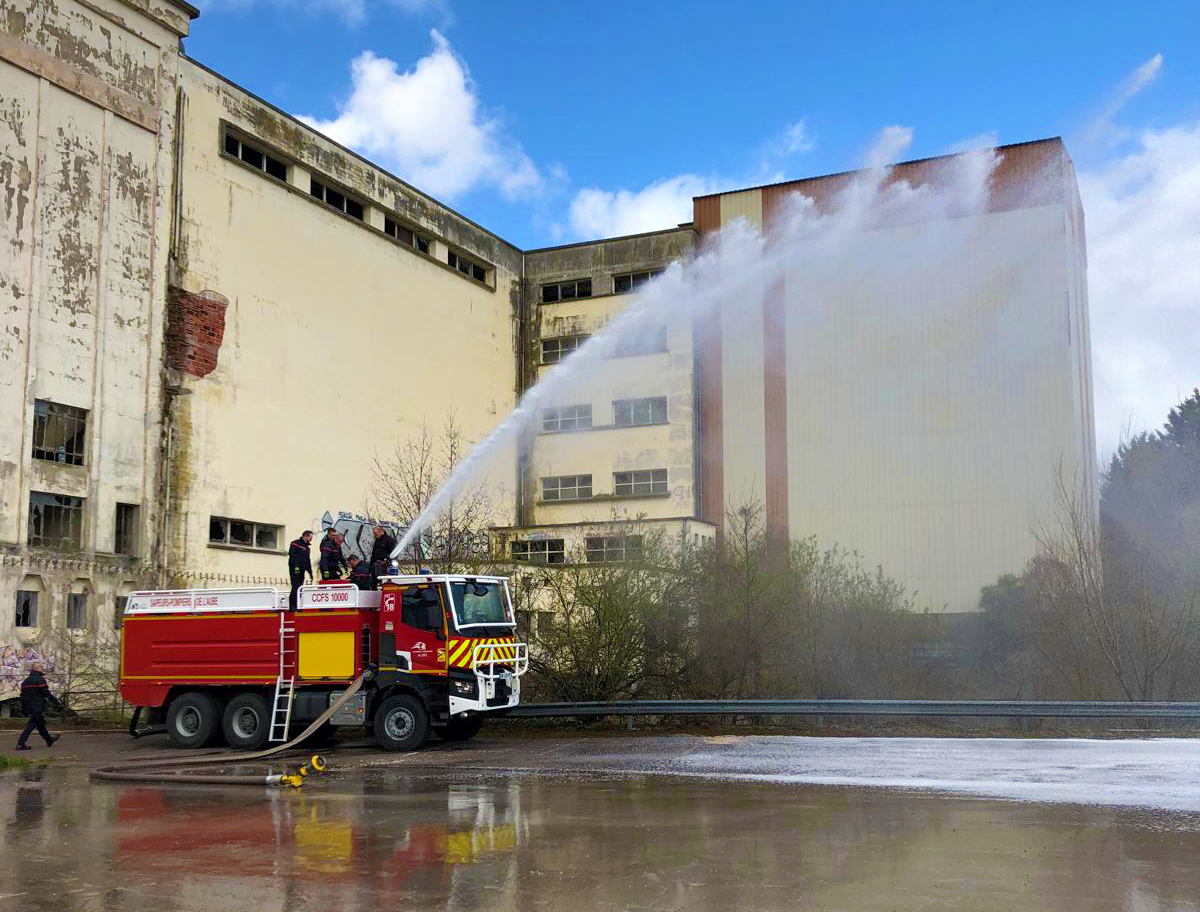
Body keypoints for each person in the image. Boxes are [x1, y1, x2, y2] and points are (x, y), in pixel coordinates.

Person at [15, 662, 60, 751]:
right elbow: (46, 693)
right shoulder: (40, 680)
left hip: (30, 706)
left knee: (40, 724)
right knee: (31, 724)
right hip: (37, 706)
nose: (42, 668)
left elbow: (22, 696)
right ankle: (20, 744)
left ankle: (49, 740)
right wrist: (56, 702)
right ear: (36, 668)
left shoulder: (25, 681)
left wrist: (24, 708)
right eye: (40, 666)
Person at [287, 530, 313, 609]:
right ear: (305, 536)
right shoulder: (295, 544)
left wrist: (310, 572)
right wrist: (296, 567)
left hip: (302, 570)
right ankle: (292, 606)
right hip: (295, 570)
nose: (311, 539)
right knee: (295, 587)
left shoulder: (307, 548)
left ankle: (297, 605)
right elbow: (292, 556)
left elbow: (308, 560)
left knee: (300, 588)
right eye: (310, 537)